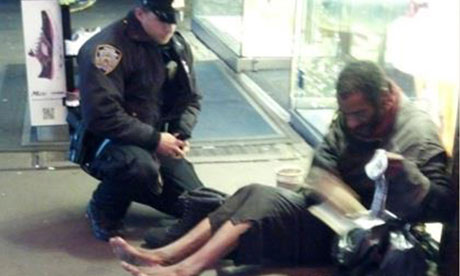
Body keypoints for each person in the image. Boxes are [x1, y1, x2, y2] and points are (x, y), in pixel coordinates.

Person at [108, 61, 455, 276]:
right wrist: (329, 187)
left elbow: (440, 206)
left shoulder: (416, 133)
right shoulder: (353, 117)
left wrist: (405, 175)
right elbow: (323, 162)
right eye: (346, 114)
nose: (352, 123)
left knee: (263, 204)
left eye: (360, 114)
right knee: (252, 192)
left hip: (364, 241)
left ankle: (186, 269)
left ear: (388, 99)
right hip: (333, 218)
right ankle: (167, 255)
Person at [75, 0, 204, 241]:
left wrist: (179, 134)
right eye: (163, 20)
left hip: (155, 139)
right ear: (140, 13)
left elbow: (192, 98)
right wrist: (154, 140)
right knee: (138, 169)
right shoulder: (107, 49)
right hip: (109, 141)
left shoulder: (175, 43)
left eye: (175, 20)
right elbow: (101, 114)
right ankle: (103, 208)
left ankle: (144, 183)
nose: (170, 27)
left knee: (197, 204)